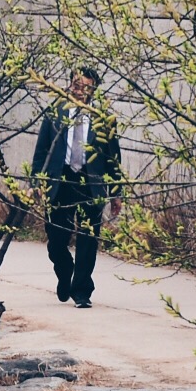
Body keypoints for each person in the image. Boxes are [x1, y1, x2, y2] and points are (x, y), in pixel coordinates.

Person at [31, 67, 123, 307]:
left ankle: (82, 291)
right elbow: (41, 152)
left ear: (94, 90)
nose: (80, 91)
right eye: (76, 84)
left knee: (88, 239)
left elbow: (113, 159)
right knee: (56, 240)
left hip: (90, 183)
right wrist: (36, 182)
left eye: (86, 87)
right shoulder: (54, 114)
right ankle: (65, 272)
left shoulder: (104, 119)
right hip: (60, 181)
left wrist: (116, 193)